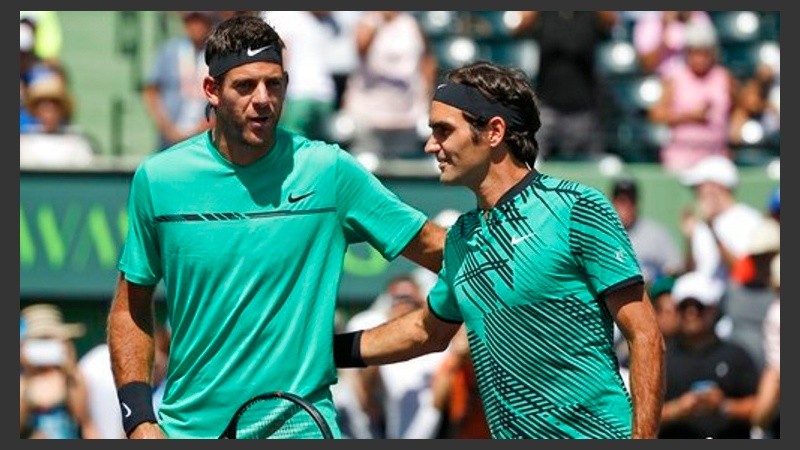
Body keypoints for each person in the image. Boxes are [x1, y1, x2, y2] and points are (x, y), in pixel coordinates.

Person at [106, 15, 445, 439]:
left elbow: (444, 254)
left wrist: (432, 324)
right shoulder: (159, 179)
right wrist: (138, 420)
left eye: (274, 84)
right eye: (245, 86)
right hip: (188, 431)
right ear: (211, 90)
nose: (263, 99)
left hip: (303, 428)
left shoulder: (329, 171)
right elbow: (129, 308)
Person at [335, 61, 665, 438]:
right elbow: (427, 331)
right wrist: (326, 351)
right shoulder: (462, 238)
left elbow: (645, 336)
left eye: (444, 131)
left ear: (494, 132)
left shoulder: (577, 208)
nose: (431, 146)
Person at [658, 271, 759, 439]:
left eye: (698, 306)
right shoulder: (662, 360)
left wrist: (724, 406)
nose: (691, 313)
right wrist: (679, 409)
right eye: (684, 307)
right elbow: (640, 414)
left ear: (713, 309)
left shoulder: (736, 356)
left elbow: (761, 408)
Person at [20, 303, 100, 439]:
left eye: (49, 340)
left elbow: (84, 420)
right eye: (39, 342)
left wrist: (70, 367)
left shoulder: (71, 378)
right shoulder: (22, 382)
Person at [142, 11, 215, 151]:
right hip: (169, 137)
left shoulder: (216, 52)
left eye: (200, 21)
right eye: (191, 21)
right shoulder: (169, 50)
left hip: (205, 137)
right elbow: (151, 91)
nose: (196, 26)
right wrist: (167, 127)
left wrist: (209, 124)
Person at [609, 177, 684, 285]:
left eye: (631, 201)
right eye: (621, 201)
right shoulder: (603, 234)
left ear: (636, 203)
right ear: (613, 203)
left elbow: (675, 267)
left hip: (649, 293)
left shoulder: (655, 233)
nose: (626, 207)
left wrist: (657, 280)